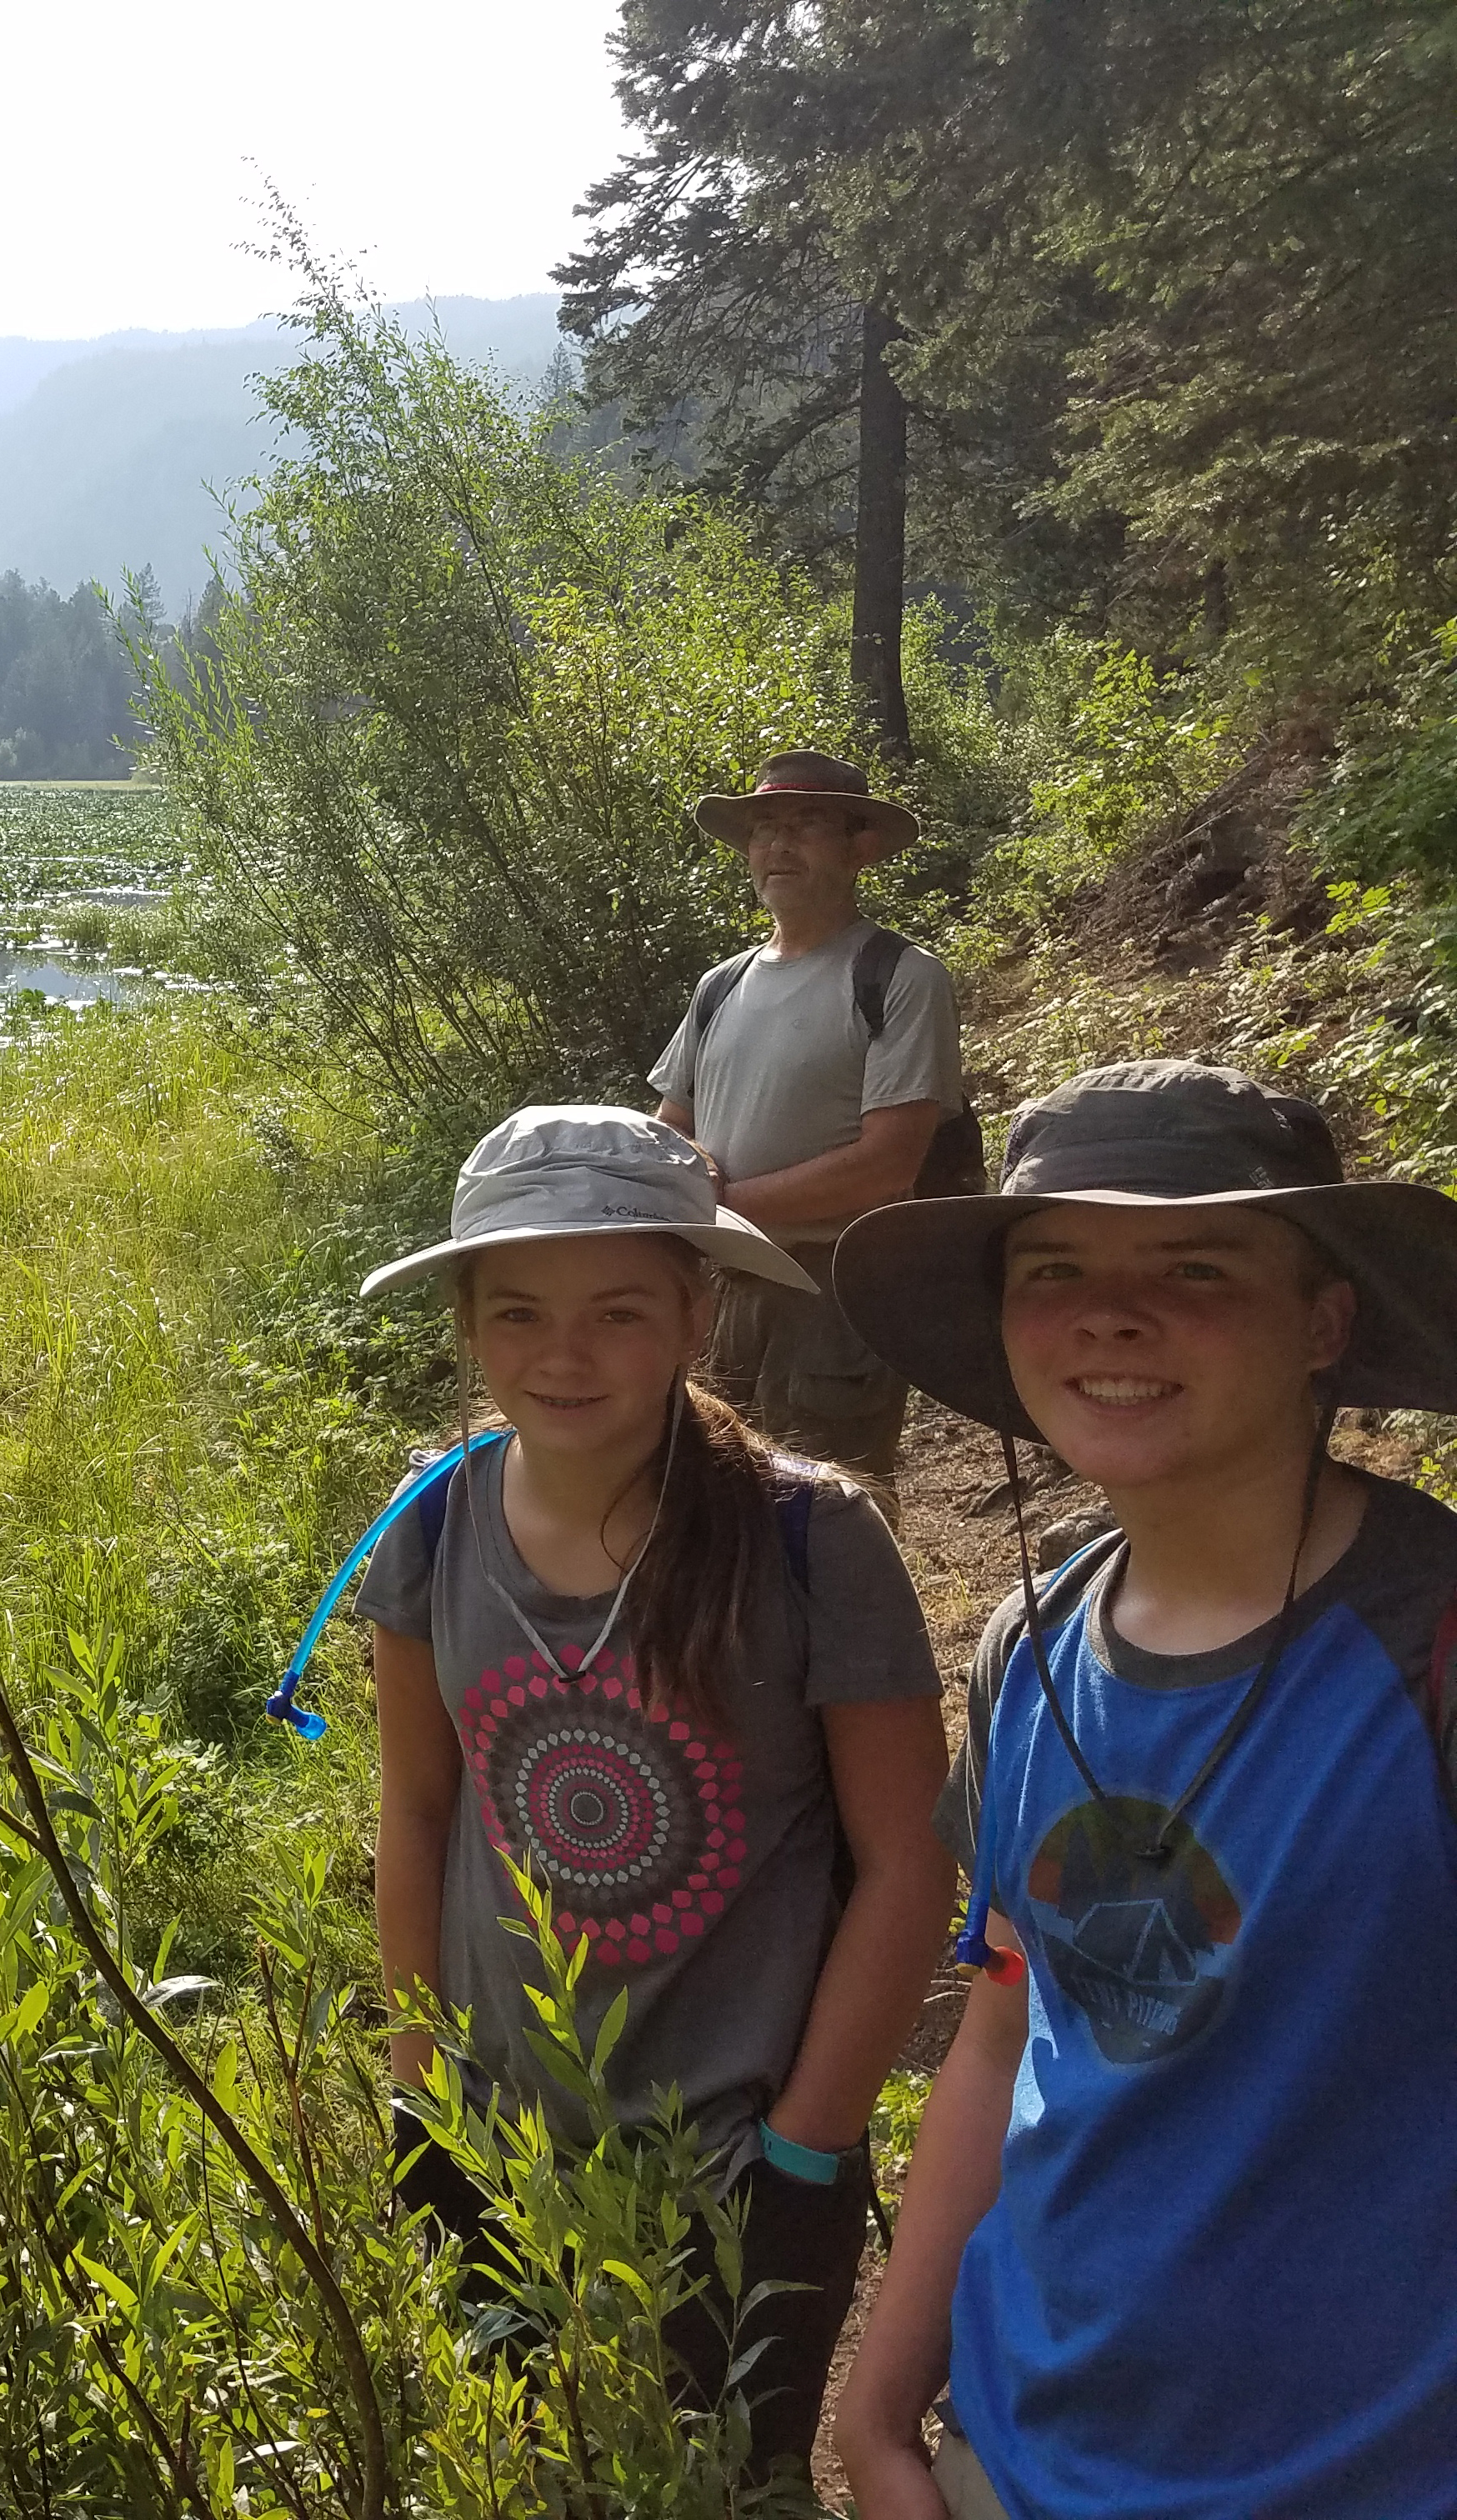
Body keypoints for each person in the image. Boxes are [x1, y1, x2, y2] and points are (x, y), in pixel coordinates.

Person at [828, 1059, 1457, 2520]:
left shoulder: (1426, 1647)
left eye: (1195, 1263)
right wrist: (873, 2410)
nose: (1109, 1313)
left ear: (1324, 1319)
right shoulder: (1023, 1645)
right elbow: (1001, 2028)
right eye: (1054, 1267)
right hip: (1018, 2444)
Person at [350, 1104, 954, 2478]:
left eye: (618, 1311)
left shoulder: (811, 1534)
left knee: (725, 2477)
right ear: (466, 1323)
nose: (562, 1353)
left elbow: (907, 1856)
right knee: (526, 2465)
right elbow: (417, 1808)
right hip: (498, 2137)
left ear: (698, 1311)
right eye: (517, 1311)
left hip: (738, 2163)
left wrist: (807, 2141)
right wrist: (414, 2077)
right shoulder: (431, 1519)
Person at [651, 750, 963, 1480]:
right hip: (720, 1292)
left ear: (861, 848)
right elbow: (671, 1124)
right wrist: (681, 1183)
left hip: (832, 1297)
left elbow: (888, 1164)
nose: (777, 845)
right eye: (763, 828)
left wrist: (718, 1205)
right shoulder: (719, 986)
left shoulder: (900, 977)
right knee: (713, 1493)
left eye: (807, 824)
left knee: (831, 1510)